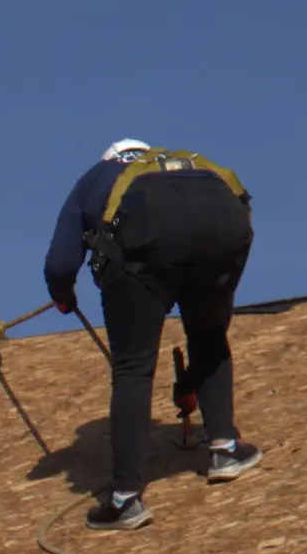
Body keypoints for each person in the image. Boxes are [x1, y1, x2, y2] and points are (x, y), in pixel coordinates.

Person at [37, 140, 254, 526]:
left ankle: (125, 500)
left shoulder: (95, 178)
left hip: (141, 254)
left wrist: (63, 297)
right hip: (221, 239)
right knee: (209, 337)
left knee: (133, 367)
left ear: (111, 159)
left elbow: (61, 262)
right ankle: (225, 449)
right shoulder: (190, 165)